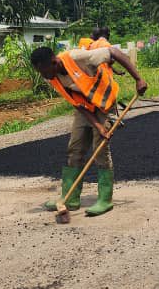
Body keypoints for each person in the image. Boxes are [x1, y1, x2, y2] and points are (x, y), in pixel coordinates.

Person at [30, 44, 147, 216]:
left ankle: (105, 199)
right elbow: (75, 101)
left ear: (54, 62)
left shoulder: (77, 57)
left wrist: (138, 79)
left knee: (100, 148)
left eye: (43, 71)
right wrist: (97, 125)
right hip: (85, 109)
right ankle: (70, 198)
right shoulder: (52, 77)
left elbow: (114, 52)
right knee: (75, 148)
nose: (43, 76)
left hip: (104, 104)